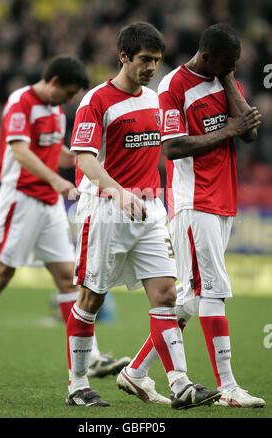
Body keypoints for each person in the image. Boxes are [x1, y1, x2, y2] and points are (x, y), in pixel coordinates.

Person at [65, 21, 221, 409]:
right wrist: (116, 192)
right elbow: (83, 157)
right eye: (145, 60)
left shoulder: (156, 100)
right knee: (90, 298)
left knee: (167, 294)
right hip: (105, 209)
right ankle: (78, 385)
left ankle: (180, 383)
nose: (152, 67)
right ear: (124, 56)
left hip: (150, 209)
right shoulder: (97, 100)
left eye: (156, 60)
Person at [117, 23, 266, 408]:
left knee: (189, 299)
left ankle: (134, 372)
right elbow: (173, 147)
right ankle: (229, 388)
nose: (234, 69)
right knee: (212, 291)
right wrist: (229, 129)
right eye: (229, 64)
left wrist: (230, 84)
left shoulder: (224, 79)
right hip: (194, 201)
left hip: (224, 201)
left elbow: (248, 133)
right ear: (207, 57)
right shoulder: (173, 87)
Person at [0, 55, 130, 379]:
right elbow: (21, 151)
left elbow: (51, 150)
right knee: (0, 276)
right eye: (68, 93)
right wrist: (56, 179)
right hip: (21, 199)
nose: (70, 100)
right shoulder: (21, 101)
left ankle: (93, 357)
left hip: (49, 206)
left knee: (66, 277)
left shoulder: (56, 111)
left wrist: (75, 156)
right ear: (54, 81)